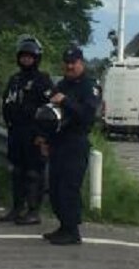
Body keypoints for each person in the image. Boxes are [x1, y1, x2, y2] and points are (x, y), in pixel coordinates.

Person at [41, 46, 99, 246]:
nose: (69, 66)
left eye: (73, 62)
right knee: (55, 188)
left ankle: (72, 230)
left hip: (76, 141)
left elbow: (87, 114)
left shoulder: (89, 86)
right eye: (67, 62)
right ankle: (63, 225)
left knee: (69, 188)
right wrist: (45, 139)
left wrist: (65, 101)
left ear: (81, 62)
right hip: (58, 140)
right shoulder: (63, 84)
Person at [0, 36, 52, 226]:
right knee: (16, 171)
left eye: (30, 57)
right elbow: (7, 102)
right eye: (23, 56)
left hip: (34, 133)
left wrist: (43, 135)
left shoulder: (42, 80)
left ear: (36, 58)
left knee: (33, 173)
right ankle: (16, 208)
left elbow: (49, 109)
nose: (26, 60)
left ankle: (33, 210)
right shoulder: (15, 79)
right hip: (16, 132)